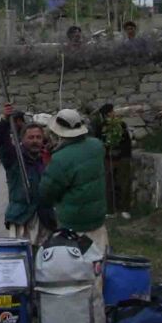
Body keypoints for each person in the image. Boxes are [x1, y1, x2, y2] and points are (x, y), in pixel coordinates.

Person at [40, 107, 109, 252]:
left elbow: (47, 192)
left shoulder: (60, 159)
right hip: (97, 217)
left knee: (77, 262)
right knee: (99, 257)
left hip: (74, 223)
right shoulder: (97, 146)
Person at [0, 105, 49, 246]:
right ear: (23, 139)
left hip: (44, 218)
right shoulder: (14, 158)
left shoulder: (45, 159)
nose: (35, 141)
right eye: (31, 137)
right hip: (21, 217)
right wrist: (5, 121)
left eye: (38, 137)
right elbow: (0, 143)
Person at [96, 103, 135, 219]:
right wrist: (106, 152)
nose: (114, 113)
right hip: (108, 158)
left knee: (124, 183)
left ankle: (125, 209)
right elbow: (98, 142)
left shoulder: (121, 125)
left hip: (122, 157)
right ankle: (110, 209)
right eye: (112, 111)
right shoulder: (100, 127)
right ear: (107, 114)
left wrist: (123, 154)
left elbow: (126, 141)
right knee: (109, 184)